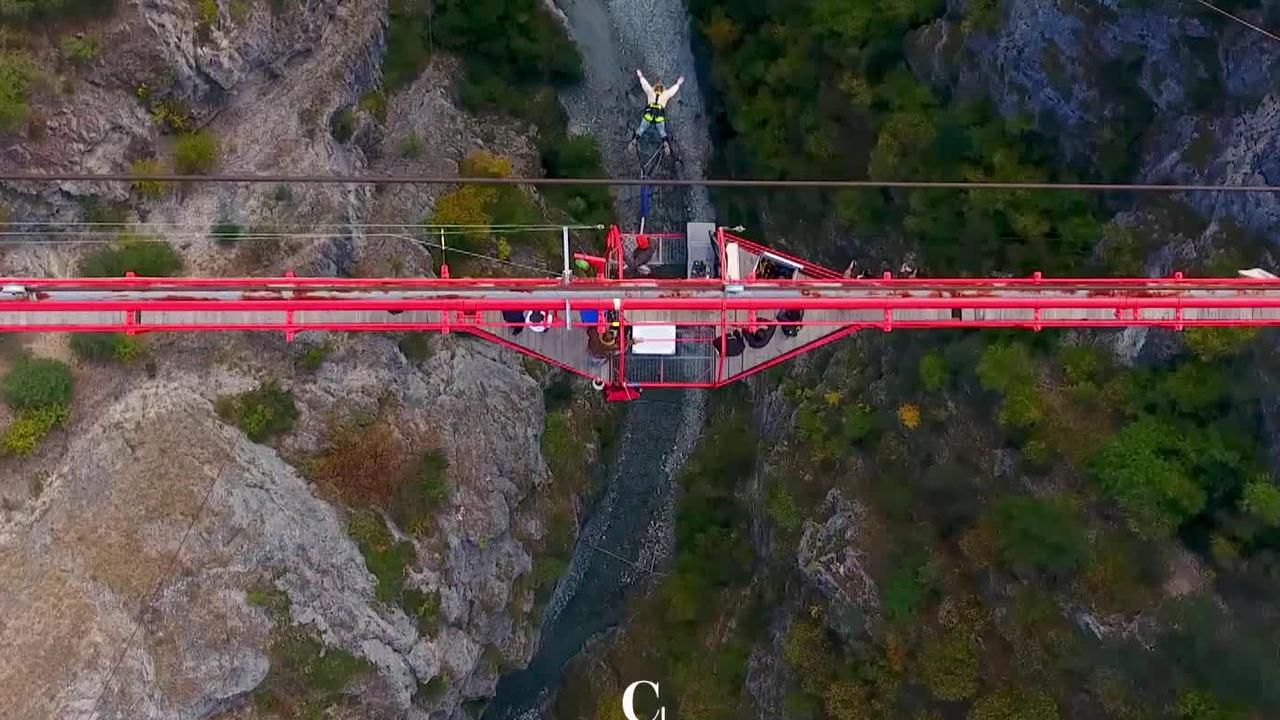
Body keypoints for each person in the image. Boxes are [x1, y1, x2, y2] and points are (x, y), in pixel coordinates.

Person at [630, 70, 684, 150]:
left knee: (641, 128)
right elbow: (672, 91)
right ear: (663, 89)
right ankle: (665, 143)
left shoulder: (650, 91)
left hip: (649, 115)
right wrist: (678, 84)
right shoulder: (665, 94)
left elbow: (644, 84)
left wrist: (640, 76)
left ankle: (635, 140)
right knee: (662, 131)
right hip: (659, 117)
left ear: (654, 87)